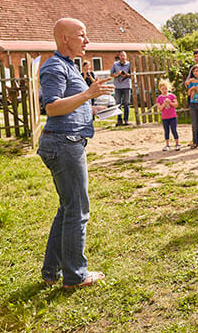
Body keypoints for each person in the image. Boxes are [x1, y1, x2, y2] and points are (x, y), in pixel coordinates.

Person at [38, 18, 114, 289]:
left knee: (68, 208)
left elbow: (69, 104)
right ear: (64, 38)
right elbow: (52, 107)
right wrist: (88, 94)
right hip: (64, 144)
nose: (87, 40)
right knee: (77, 210)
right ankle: (75, 276)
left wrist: (90, 109)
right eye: (81, 35)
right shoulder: (54, 66)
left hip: (66, 141)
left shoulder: (69, 65)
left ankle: (51, 271)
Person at [156, 79, 180, 151]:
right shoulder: (159, 98)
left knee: (174, 130)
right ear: (160, 89)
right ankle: (167, 145)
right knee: (166, 131)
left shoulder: (172, 96)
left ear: (168, 88)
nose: (164, 90)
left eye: (166, 89)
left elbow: (176, 105)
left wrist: (170, 103)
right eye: (163, 89)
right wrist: (164, 104)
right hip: (164, 117)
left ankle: (177, 144)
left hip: (172, 117)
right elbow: (159, 108)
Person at [110, 51, 131, 126]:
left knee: (126, 103)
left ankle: (126, 120)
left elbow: (132, 75)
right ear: (119, 56)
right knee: (118, 103)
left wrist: (126, 75)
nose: (122, 57)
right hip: (117, 87)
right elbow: (111, 74)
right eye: (121, 55)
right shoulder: (115, 64)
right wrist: (117, 74)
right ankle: (119, 120)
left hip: (127, 86)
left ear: (126, 56)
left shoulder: (129, 64)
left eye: (124, 55)